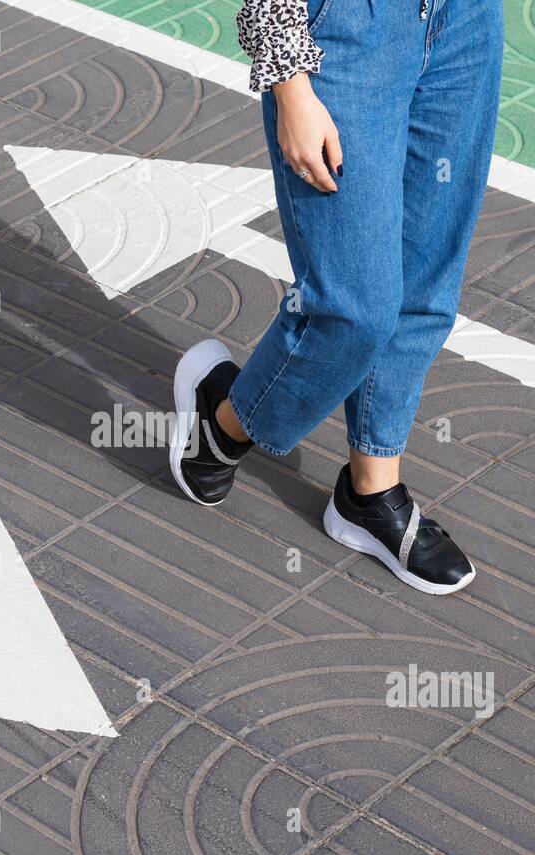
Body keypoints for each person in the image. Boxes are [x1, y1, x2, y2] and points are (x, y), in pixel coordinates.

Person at [170, 0, 503, 595]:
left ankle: (370, 492)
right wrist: (289, 83)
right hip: (348, 35)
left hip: (467, 25)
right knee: (354, 308)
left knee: (425, 290)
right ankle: (224, 422)